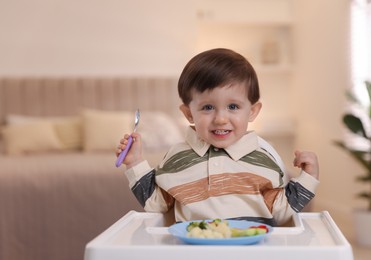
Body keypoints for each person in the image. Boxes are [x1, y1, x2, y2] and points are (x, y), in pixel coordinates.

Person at [116, 48, 319, 226]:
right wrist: (135, 163)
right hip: (193, 251)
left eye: (233, 106)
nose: (221, 119)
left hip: (252, 251)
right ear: (188, 113)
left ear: (252, 111)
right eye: (207, 107)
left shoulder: (265, 156)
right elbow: (156, 204)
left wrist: (308, 178)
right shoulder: (177, 156)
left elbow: (281, 212)